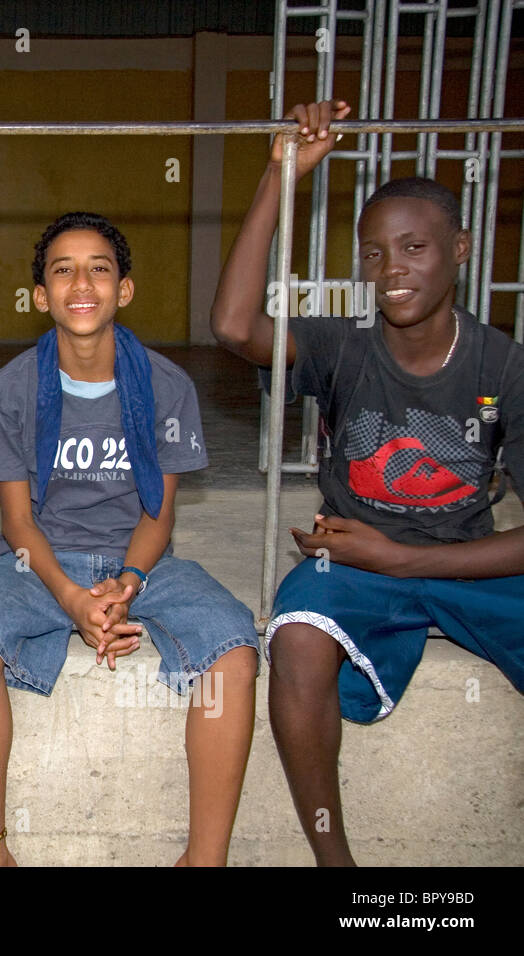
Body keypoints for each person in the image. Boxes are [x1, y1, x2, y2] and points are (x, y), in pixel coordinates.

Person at [211, 100, 524, 865]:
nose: (391, 271)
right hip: (350, 564)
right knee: (299, 636)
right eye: (375, 254)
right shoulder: (339, 347)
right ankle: (336, 863)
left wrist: (402, 558)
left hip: (455, 559)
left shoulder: (504, 365)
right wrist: (279, 177)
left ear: (459, 248)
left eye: (413, 248)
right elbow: (233, 326)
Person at [0, 211, 260, 866]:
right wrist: (69, 597)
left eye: (99, 269)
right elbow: (18, 525)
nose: (81, 282)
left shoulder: (167, 386)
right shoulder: (11, 389)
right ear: (40, 296)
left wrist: (130, 582)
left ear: (124, 290)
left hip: (140, 558)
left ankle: (204, 857)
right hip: (39, 559)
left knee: (234, 649)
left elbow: (158, 514)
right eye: (63, 270)